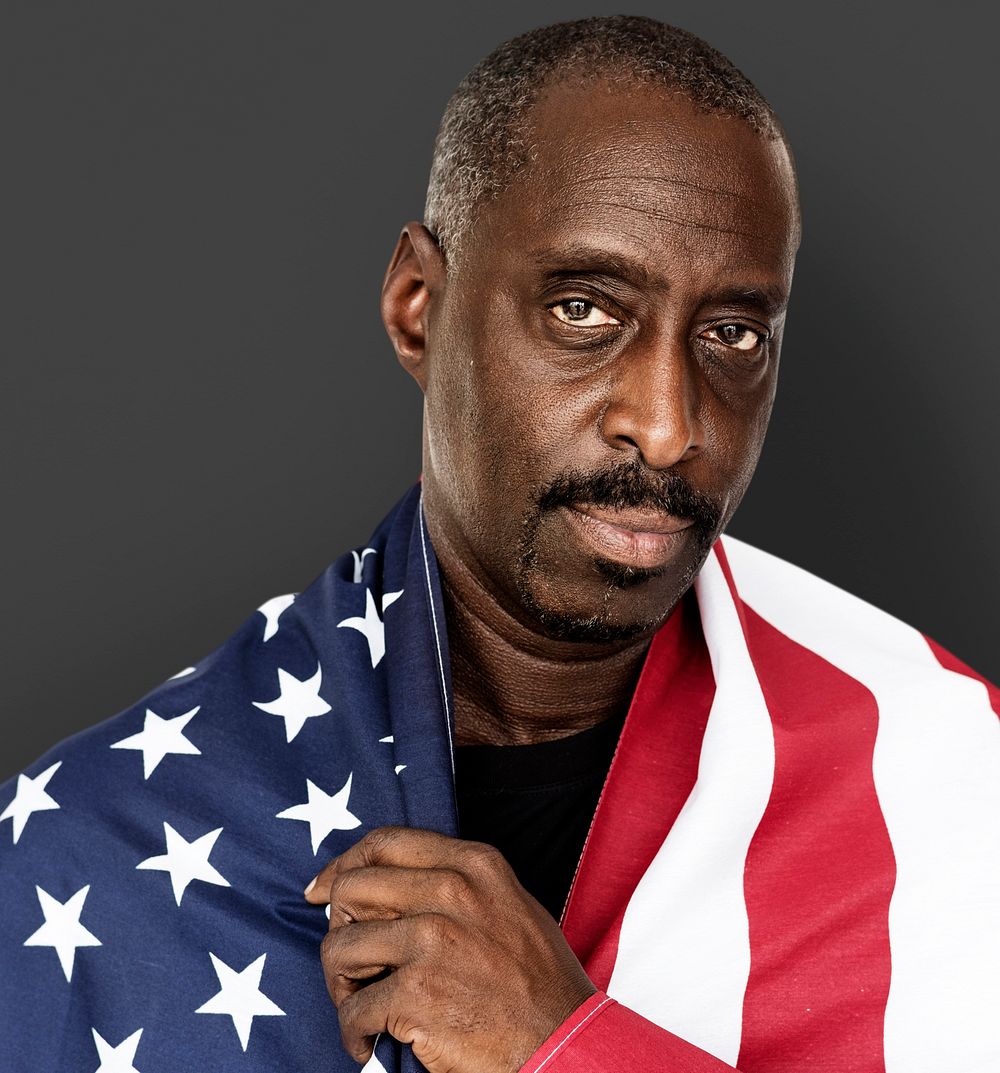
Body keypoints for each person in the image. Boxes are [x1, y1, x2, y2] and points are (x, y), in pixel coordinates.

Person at [1, 14, 997, 1073]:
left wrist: (563, 1045)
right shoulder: (93, 848)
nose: (668, 423)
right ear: (418, 306)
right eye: (583, 308)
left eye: (733, 335)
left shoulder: (940, 780)